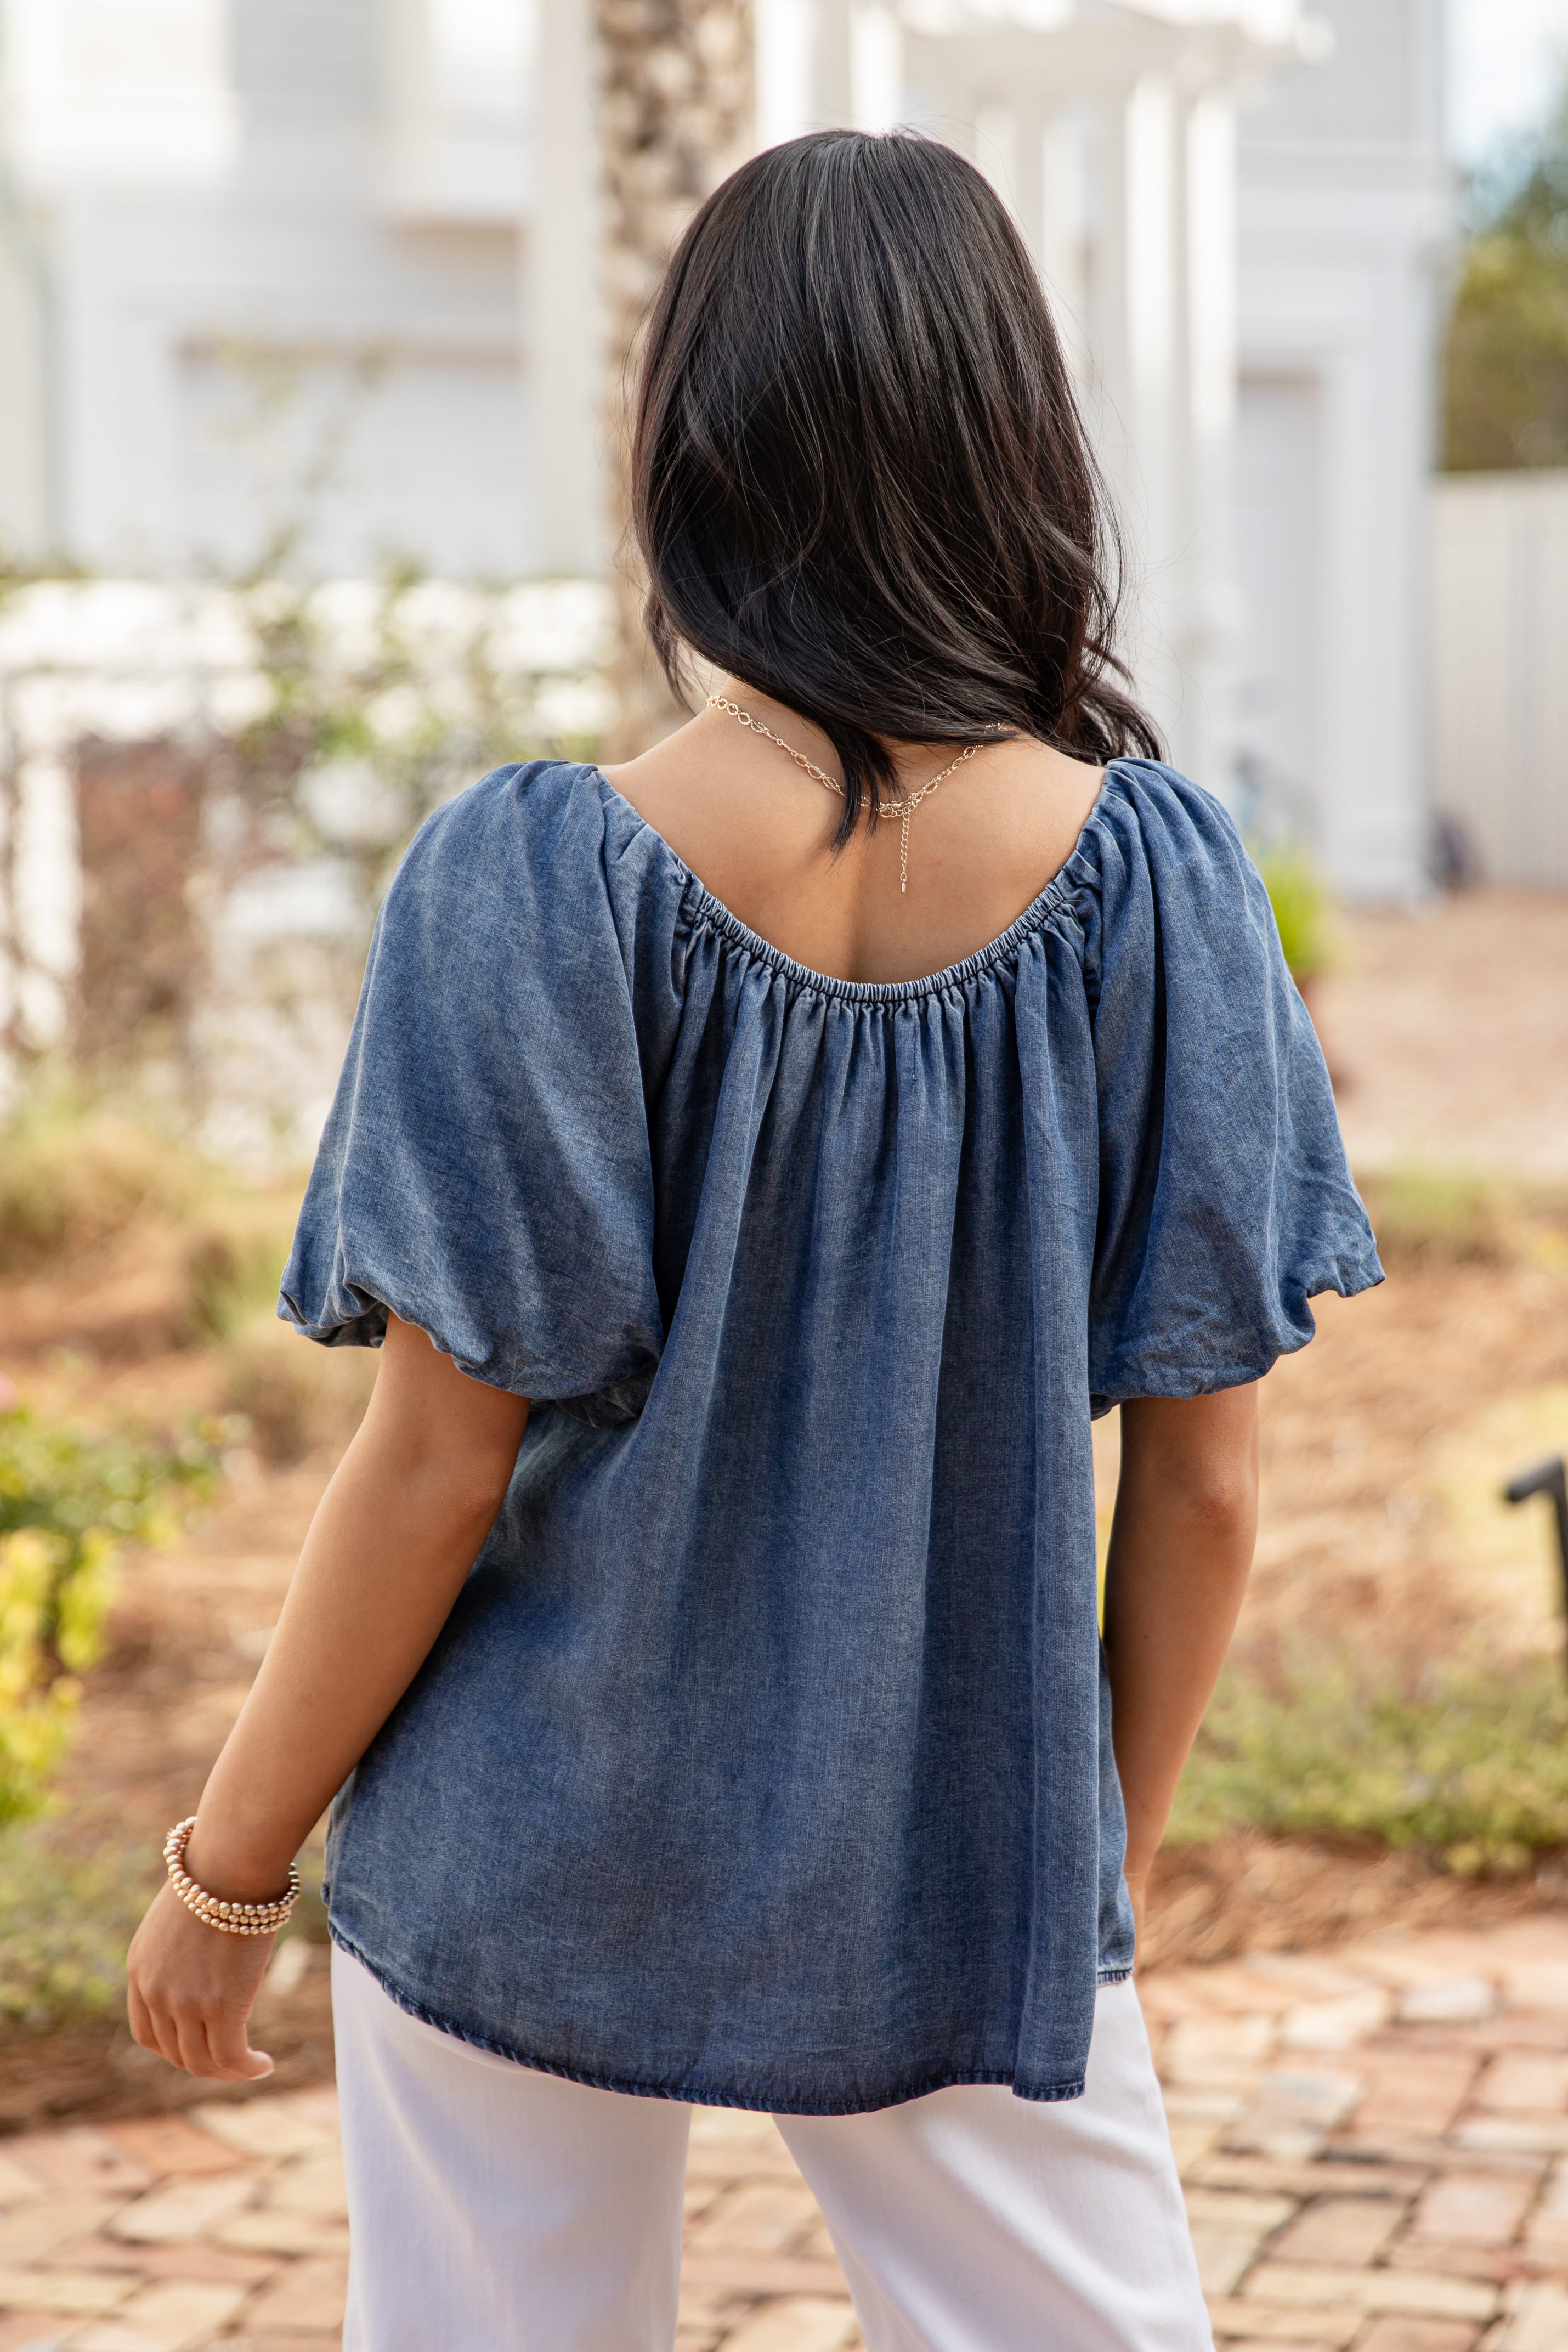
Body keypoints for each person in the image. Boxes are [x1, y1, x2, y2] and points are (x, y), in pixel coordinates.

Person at [126, 129, 1381, 2350]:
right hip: (957, 1866)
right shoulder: (1167, 887)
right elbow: (1203, 1482)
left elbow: (430, 1466)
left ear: (692, 447)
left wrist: (227, 1874)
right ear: (1011, 444)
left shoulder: (525, 879)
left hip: (526, 1843)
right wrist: (1082, 1883)